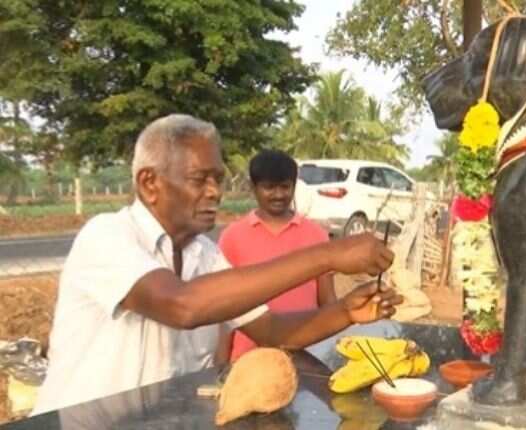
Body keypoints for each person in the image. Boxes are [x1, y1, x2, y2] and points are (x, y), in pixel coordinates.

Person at [31, 114, 397, 414]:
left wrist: (347, 312)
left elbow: (273, 331)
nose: (214, 192)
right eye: (199, 179)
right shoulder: (107, 236)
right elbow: (182, 305)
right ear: (149, 184)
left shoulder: (205, 255)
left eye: (218, 179)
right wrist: (328, 255)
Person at [218, 150, 336, 362]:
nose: (278, 194)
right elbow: (223, 311)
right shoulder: (232, 237)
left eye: (285, 186)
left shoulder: (316, 235)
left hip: (306, 357)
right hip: (248, 360)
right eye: (269, 187)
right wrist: (221, 365)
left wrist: (330, 353)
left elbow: (328, 303)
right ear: (254, 188)